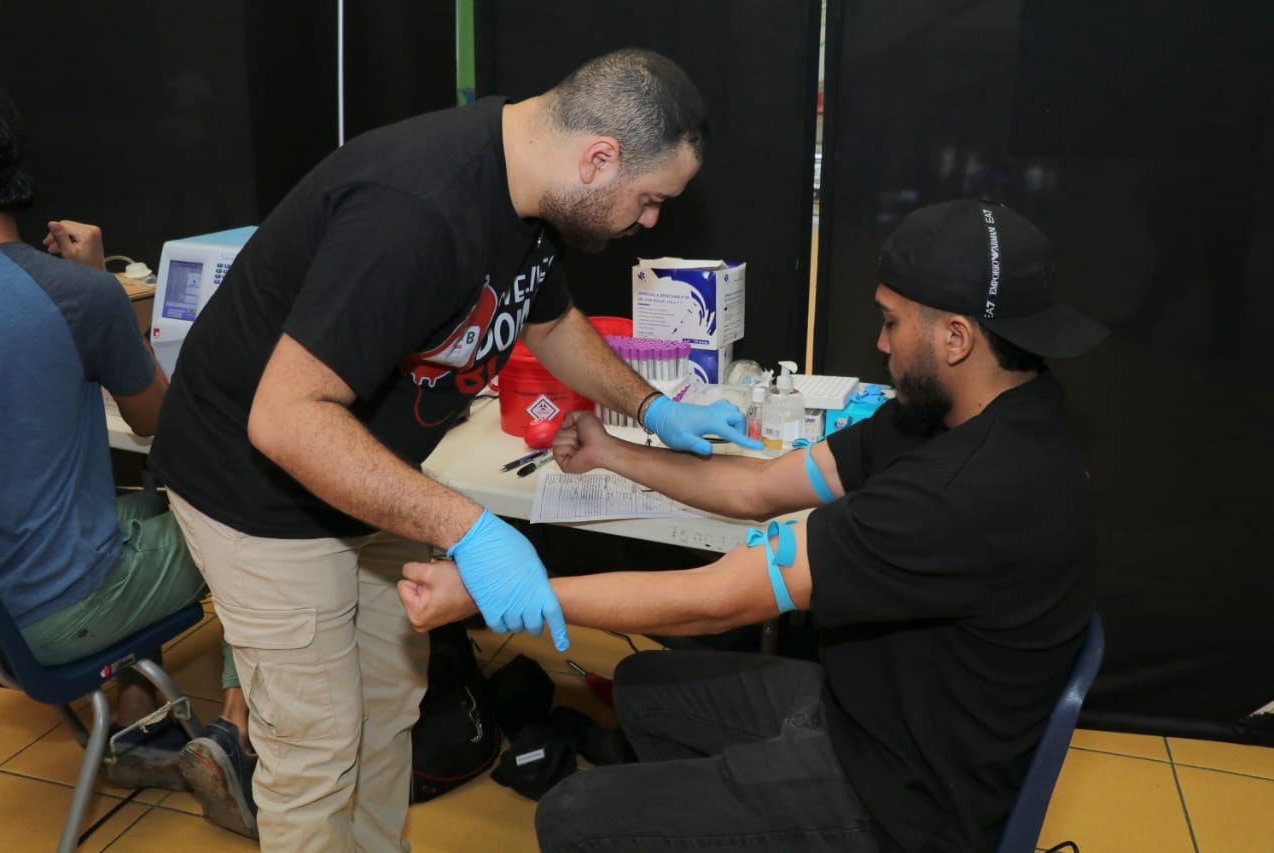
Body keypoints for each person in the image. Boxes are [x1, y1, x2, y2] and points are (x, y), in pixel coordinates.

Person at [148, 47, 758, 851]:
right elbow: (287, 420)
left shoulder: (534, 186)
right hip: (258, 487)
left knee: (391, 702)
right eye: (648, 201)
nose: (649, 220)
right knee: (316, 749)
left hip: (361, 464)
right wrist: (469, 525)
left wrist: (652, 404)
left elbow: (546, 319)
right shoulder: (414, 214)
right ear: (599, 158)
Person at [401, 198, 1110, 852]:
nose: (882, 342)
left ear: (956, 336)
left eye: (893, 320)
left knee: (572, 816)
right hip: (874, 711)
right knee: (647, 688)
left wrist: (497, 590)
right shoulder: (964, 413)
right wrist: (614, 450)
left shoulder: (963, 491)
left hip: (902, 802)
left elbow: (718, 596)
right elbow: (760, 487)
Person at [0, 85, 256, 838]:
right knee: (257, 513)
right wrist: (106, 285)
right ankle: (242, 738)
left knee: (133, 509)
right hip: (59, 611)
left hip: (6, 611)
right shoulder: (75, 294)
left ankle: (140, 723)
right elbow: (162, 427)